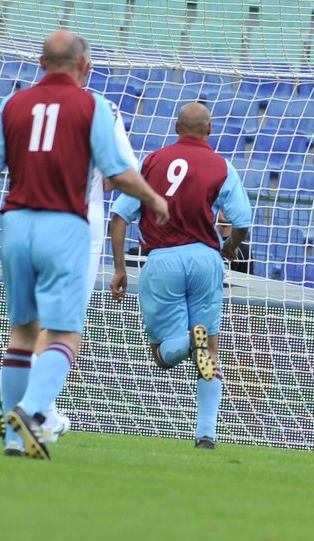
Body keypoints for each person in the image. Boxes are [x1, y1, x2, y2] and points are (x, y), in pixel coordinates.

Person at [0, 29, 169, 460]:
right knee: (65, 332)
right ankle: (34, 409)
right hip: (69, 225)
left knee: (22, 331)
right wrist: (153, 198)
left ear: (40, 63)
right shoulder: (95, 106)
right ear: (86, 67)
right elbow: (118, 172)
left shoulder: (13, 104)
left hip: (16, 225)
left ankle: (14, 437)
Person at [109, 102, 252, 450]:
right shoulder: (221, 166)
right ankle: (206, 435)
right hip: (206, 258)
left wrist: (118, 268)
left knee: (162, 355)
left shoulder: (152, 162)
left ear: (176, 128)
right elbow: (243, 222)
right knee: (211, 350)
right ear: (210, 129)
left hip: (162, 260)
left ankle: (190, 342)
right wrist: (230, 246)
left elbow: (118, 217)